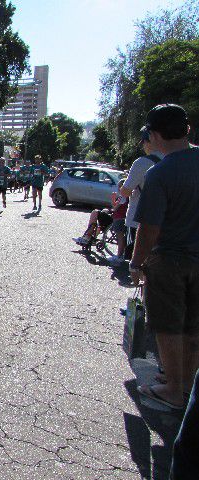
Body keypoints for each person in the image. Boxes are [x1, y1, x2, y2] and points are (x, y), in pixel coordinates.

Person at [130, 104, 199, 411]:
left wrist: (136, 263)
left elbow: (149, 228)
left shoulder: (161, 172)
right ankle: (187, 384)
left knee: (169, 325)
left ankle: (173, 388)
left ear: (155, 135)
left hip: (170, 260)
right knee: (194, 324)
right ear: (187, 129)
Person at [120, 126, 162, 261]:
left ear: (149, 141)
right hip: (165, 221)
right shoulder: (173, 160)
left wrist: (125, 184)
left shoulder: (142, 162)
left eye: (143, 142)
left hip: (139, 219)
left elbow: (125, 191)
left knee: (140, 262)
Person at [107, 180, 128, 265]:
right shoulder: (125, 197)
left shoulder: (122, 197)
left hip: (119, 218)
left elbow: (115, 207)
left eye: (119, 186)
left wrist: (113, 198)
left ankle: (119, 256)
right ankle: (120, 255)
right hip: (121, 217)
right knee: (121, 237)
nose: (118, 188)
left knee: (120, 237)